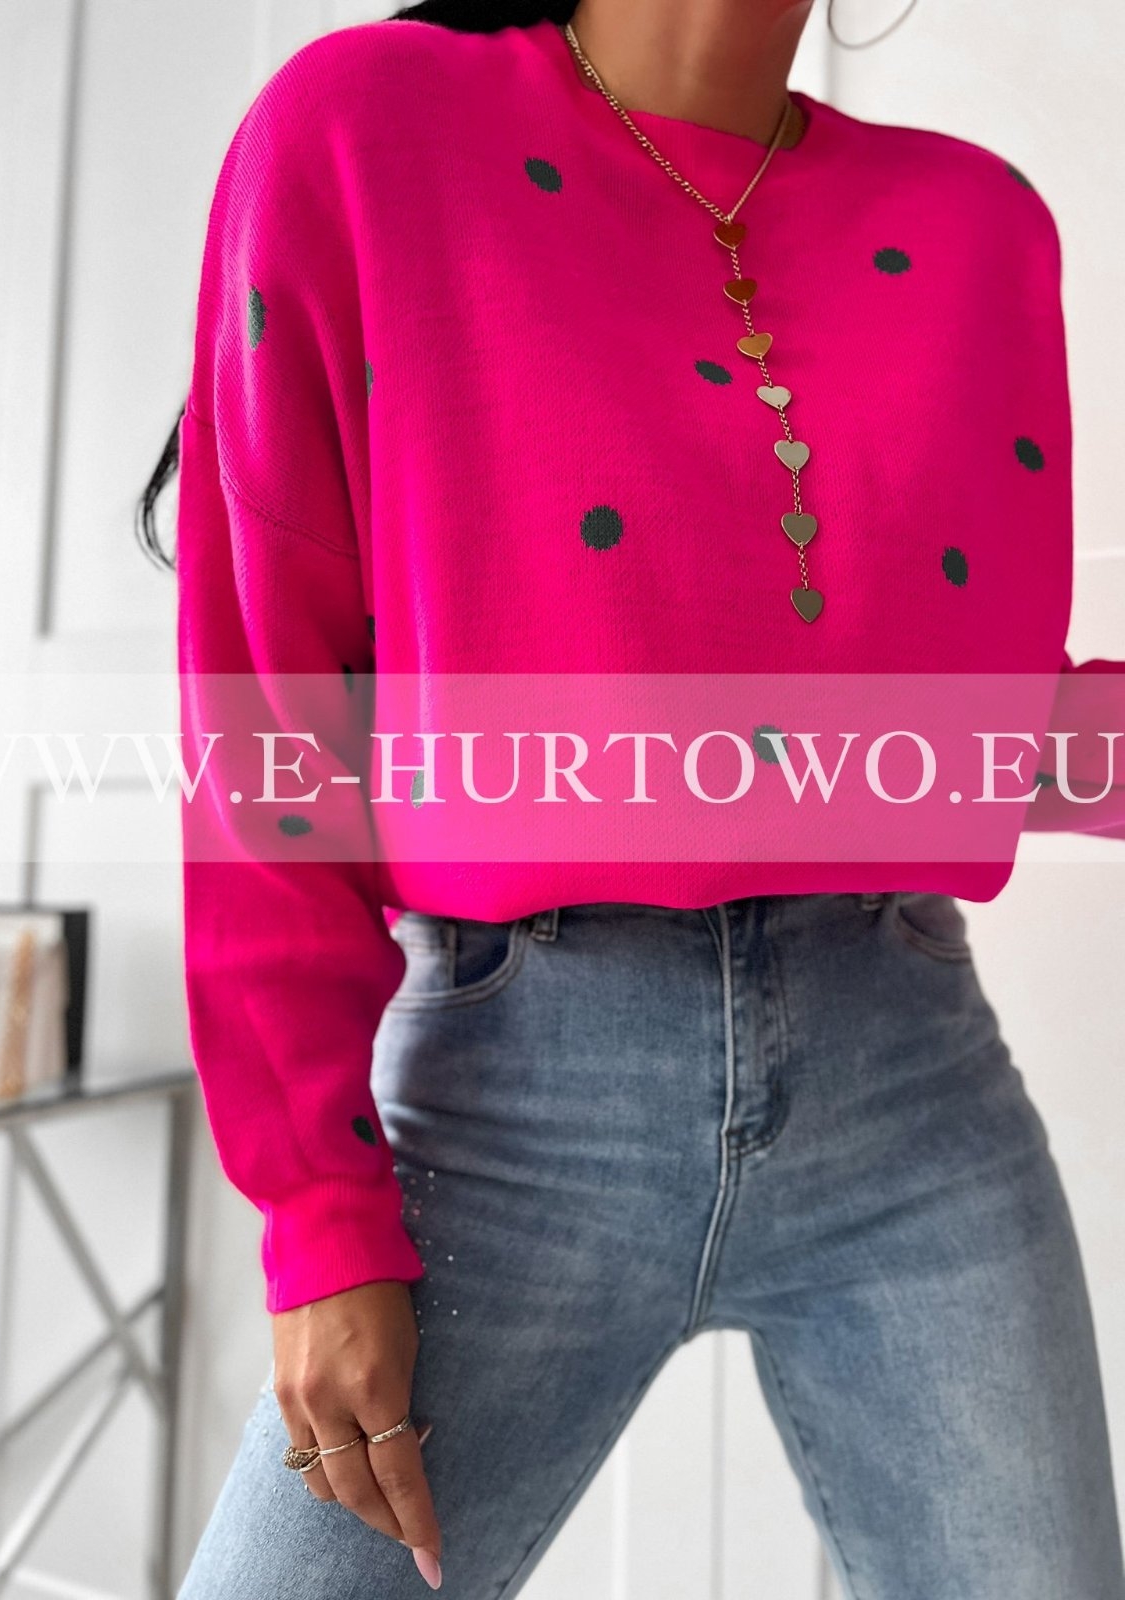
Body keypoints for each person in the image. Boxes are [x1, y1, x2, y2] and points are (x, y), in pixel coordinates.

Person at [139, 1, 1125, 1594]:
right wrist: (317, 1213)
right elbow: (266, 712)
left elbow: (964, 733)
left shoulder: (979, 221)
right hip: (511, 1105)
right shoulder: (365, 129)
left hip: (912, 1085)